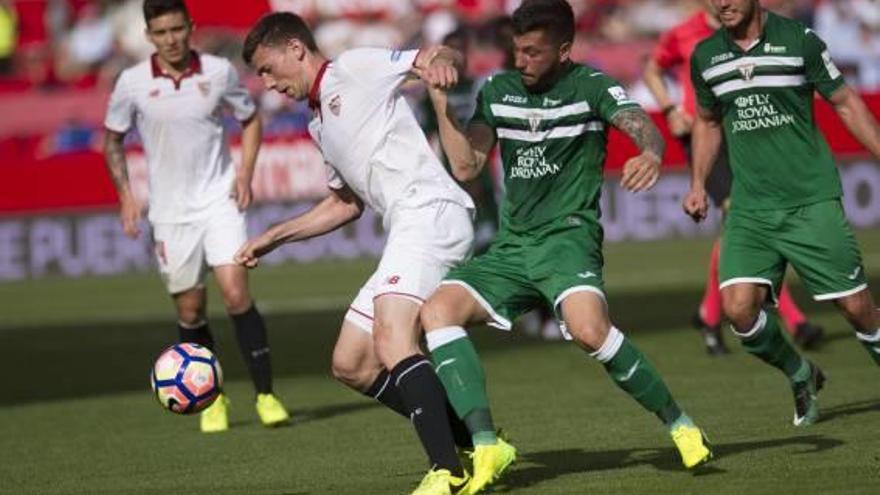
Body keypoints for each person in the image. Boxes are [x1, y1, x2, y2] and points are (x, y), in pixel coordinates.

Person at [420, 0, 714, 488]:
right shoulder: (499, 89)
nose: (523, 61)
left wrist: (652, 151)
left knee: (588, 330)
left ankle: (680, 425)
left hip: (568, 240)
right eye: (517, 51)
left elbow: (638, 122)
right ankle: (488, 446)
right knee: (436, 312)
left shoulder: (592, 86)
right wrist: (439, 107)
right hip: (514, 247)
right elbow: (468, 166)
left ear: (564, 49)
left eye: (534, 52)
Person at [234, 12, 480, 495]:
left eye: (267, 68)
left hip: (432, 212)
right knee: (352, 363)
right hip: (406, 226)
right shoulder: (318, 123)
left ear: (296, 50)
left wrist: (444, 64)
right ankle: (474, 441)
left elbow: (433, 56)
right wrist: (275, 235)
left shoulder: (354, 67)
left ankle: (448, 471)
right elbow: (345, 204)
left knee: (392, 339)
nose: (266, 82)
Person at [684, 0, 880, 426]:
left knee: (856, 307)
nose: (722, 3)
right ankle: (801, 373)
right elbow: (707, 120)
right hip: (751, 206)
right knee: (738, 310)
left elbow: (845, 102)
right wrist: (698, 183)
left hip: (809, 198)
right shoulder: (706, 56)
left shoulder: (799, 41)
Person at [103, 0, 289, 433]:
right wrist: (126, 196)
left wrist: (244, 174)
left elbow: (250, 117)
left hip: (219, 199)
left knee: (236, 293)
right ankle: (213, 397)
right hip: (169, 213)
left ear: (191, 27)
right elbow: (112, 141)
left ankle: (266, 395)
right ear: (149, 35)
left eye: (177, 30)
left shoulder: (217, 72)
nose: (171, 40)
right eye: (161, 32)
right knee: (191, 310)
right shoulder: (130, 83)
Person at [643, 0, 824, 355]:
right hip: (704, 133)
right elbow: (652, 69)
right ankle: (794, 319)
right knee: (740, 212)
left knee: (741, 222)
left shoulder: (746, 30)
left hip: (744, 130)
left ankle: (709, 315)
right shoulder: (683, 33)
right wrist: (669, 109)